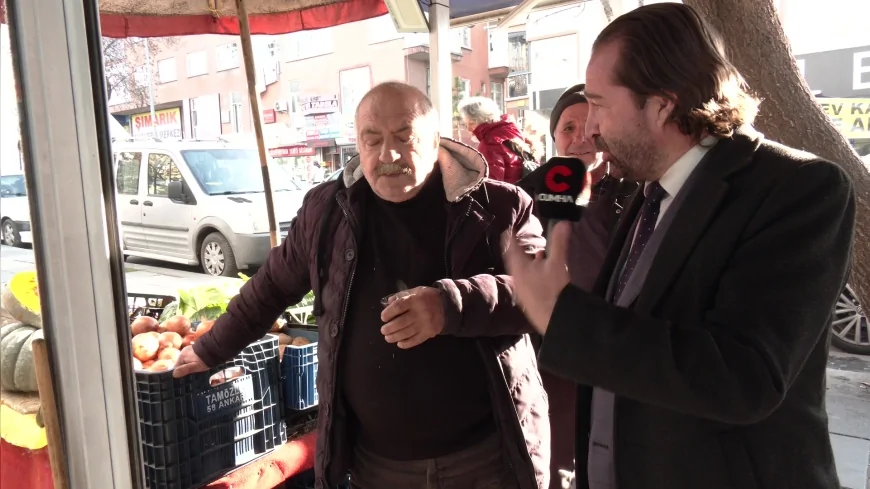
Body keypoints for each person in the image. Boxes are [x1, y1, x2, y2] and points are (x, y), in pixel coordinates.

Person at [504, 4, 854, 489]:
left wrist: (565, 318)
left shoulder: (798, 189)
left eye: (600, 105)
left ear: (662, 104)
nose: (590, 130)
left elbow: (743, 377)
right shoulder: (649, 189)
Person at [174, 82, 550, 489]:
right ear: (358, 144)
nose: (388, 154)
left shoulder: (500, 206)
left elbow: (541, 295)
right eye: (373, 140)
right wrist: (211, 348)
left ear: (435, 140)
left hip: (485, 457)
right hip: (378, 465)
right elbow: (270, 287)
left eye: (405, 138)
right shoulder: (326, 212)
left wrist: (450, 306)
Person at [528, 84, 638, 489]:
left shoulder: (638, 190)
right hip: (555, 349)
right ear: (554, 138)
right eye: (567, 129)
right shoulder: (529, 193)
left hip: (621, 346)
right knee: (562, 453)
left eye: (589, 125)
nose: (580, 138)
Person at [457, 96, 536, 184]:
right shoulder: (512, 131)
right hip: (523, 191)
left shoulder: (490, 144)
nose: (468, 128)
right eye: (466, 124)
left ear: (483, 120)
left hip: (508, 192)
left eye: (471, 123)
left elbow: (491, 185)